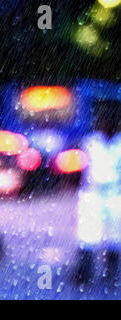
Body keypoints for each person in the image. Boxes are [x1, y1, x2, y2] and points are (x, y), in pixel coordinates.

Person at [73, 119, 121, 284]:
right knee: (88, 233)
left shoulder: (119, 143)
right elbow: (79, 166)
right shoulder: (91, 142)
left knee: (115, 235)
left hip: (115, 193)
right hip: (93, 192)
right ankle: (84, 272)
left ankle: (111, 272)